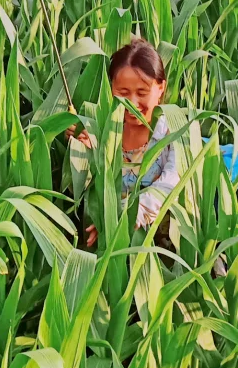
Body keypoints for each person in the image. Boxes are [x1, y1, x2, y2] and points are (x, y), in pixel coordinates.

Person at [73, 39, 180, 248]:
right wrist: (81, 151)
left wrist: (120, 217)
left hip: (166, 248)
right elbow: (91, 191)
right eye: (123, 93)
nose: (131, 102)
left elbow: (168, 186)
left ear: (160, 88)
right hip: (117, 244)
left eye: (142, 93)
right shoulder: (105, 130)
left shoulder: (175, 133)